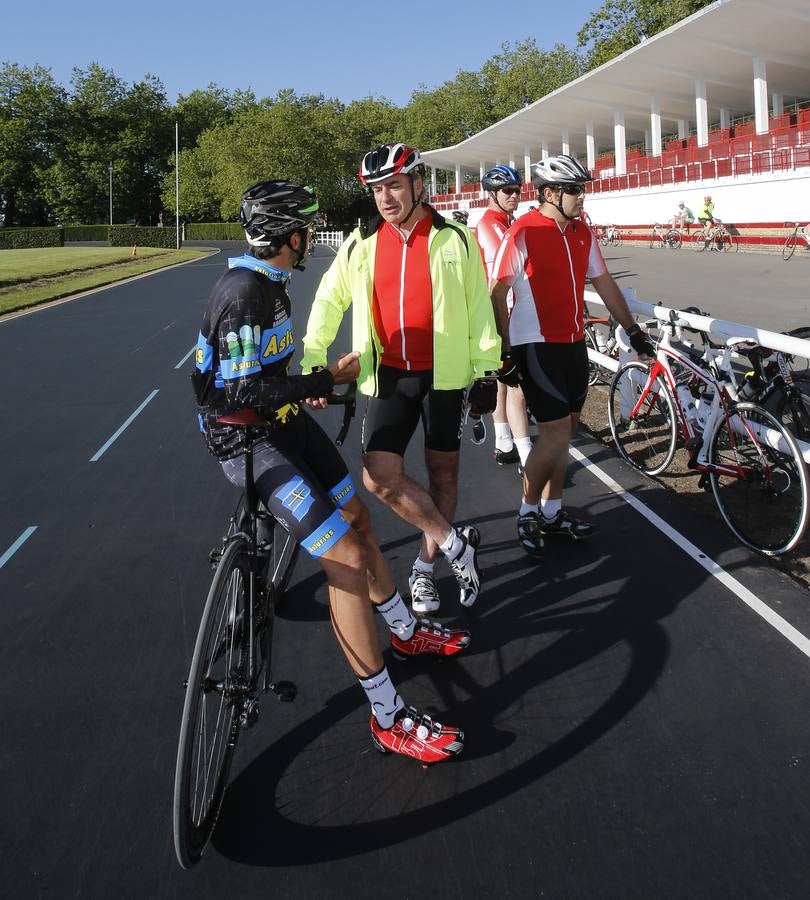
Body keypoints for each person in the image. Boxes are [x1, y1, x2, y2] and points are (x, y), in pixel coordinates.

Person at [192, 179, 469, 765]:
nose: (310, 233)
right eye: (305, 226)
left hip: (280, 421)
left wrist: (314, 382)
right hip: (244, 438)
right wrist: (324, 380)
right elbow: (241, 391)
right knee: (343, 555)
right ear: (289, 235)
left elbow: (268, 378)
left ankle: (404, 631)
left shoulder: (270, 282)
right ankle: (388, 717)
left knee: (358, 519)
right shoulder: (245, 292)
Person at [301, 143, 501, 615]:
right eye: (377, 190)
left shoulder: (455, 238)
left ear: (417, 185)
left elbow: (478, 306)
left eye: (393, 185)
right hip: (388, 377)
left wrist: (488, 369)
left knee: (443, 473)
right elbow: (329, 299)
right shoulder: (362, 242)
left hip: (445, 377)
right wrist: (314, 360)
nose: (385, 197)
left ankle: (425, 570)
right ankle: (456, 545)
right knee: (378, 478)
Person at [490, 155, 654, 558]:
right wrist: (505, 351)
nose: (582, 196)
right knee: (555, 434)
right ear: (550, 193)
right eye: (574, 190)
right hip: (535, 344)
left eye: (582, 189)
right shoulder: (524, 231)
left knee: (568, 431)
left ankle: (552, 511)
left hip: (573, 343)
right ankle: (527, 512)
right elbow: (497, 292)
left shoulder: (583, 231)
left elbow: (605, 282)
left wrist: (632, 329)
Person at [474, 165, 531, 474]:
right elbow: (512, 270)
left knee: (504, 382)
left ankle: (505, 443)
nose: (514, 196)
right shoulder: (491, 225)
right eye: (507, 191)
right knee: (517, 386)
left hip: (499, 313)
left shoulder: (505, 222)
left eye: (517, 190)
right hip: (503, 314)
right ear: (492, 194)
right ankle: (526, 455)